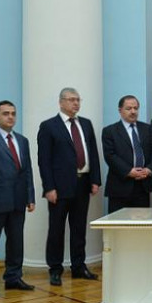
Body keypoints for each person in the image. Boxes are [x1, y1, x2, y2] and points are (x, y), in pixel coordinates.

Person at [37, 87, 101, 286]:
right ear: (61, 102)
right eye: (71, 99)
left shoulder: (86, 124)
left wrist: (95, 180)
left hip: (83, 183)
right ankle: (55, 269)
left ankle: (78, 267)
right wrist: (49, 187)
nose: (76, 103)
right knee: (56, 229)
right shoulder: (49, 126)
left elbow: (93, 153)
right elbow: (44, 160)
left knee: (79, 228)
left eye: (78, 100)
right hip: (59, 187)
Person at [0, 100, 36, 299]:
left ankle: (13, 277)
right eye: (5, 113)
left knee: (16, 242)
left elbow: (27, 171)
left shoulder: (22, 140)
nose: (10, 117)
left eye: (13, 113)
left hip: (18, 201)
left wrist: (30, 196)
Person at [103, 95, 152, 213]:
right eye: (129, 108)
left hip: (143, 185)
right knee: (118, 222)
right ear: (120, 110)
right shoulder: (110, 131)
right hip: (120, 186)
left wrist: (149, 169)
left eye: (135, 108)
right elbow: (110, 156)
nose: (133, 111)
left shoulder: (147, 128)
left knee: (141, 222)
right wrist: (129, 171)